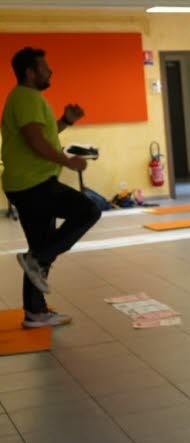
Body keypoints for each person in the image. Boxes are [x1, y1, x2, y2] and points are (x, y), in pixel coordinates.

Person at [2, 47, 100, 328]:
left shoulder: (27, 98)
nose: (50, 71)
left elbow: (41, 135)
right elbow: (35, 141)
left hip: (28, 182)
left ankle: (35, 312)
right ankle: (37, 261)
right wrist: (68, 162)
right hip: (33, 183)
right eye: (44, 67)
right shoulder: (26, 98)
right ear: (30, 73)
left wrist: (65, 121)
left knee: (40, 246)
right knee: (88, 211)